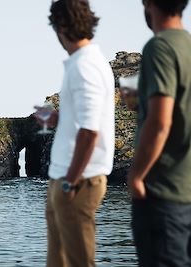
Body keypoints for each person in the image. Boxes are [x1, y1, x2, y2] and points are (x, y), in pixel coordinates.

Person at [38, 0, 115, 266]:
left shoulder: (85, 67)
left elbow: (90, 132)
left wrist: (70, 182)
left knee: (80, 262)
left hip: (77, 181)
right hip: (62, 178)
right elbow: (83, 120)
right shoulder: (83, 63)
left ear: (60, 27)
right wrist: (57, 117)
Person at [121, 0, 191, 266]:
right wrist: (143, 102)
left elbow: (161, 123)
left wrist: (137, 175)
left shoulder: (160, 47)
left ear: (148, 4)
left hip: (164, 191)